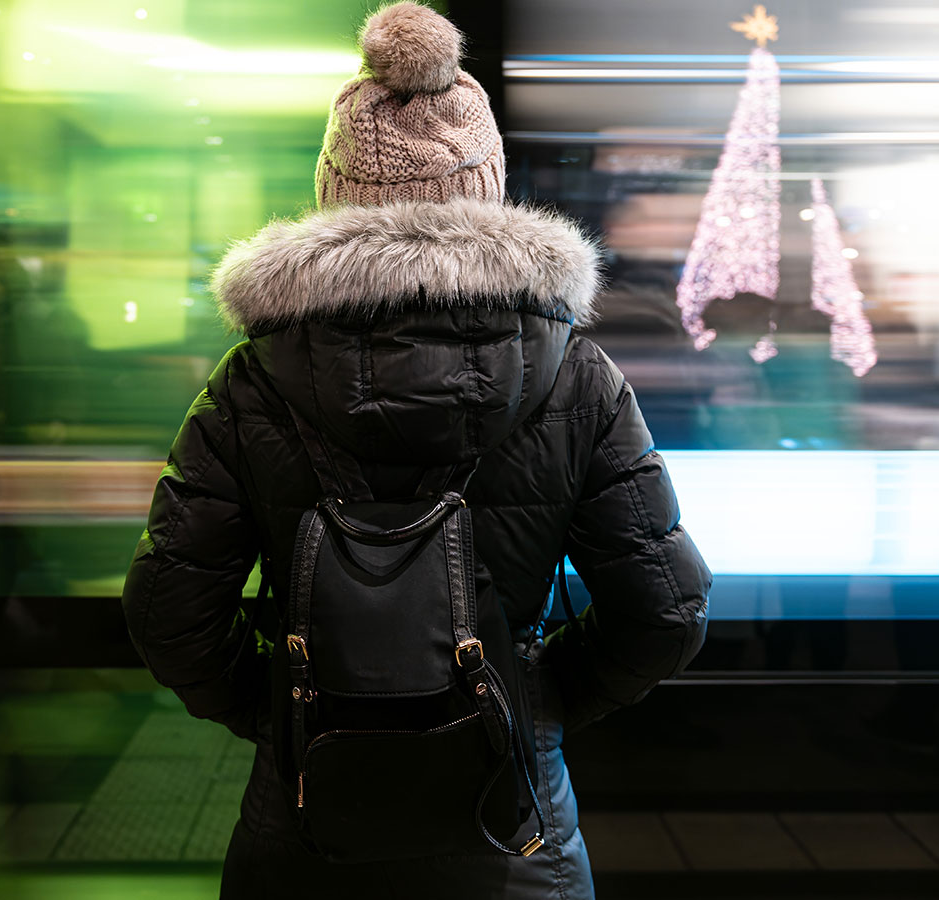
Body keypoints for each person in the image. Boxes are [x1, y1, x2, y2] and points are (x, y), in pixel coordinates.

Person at [121, 4, 711, 897]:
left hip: (306, 827)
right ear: (491, 192)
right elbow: (666, 610)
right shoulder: (576, 377)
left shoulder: (253, 382)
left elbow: (170, 611)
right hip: (512, 834)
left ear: (332, 191)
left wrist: (285, 709)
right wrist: (534, 704)